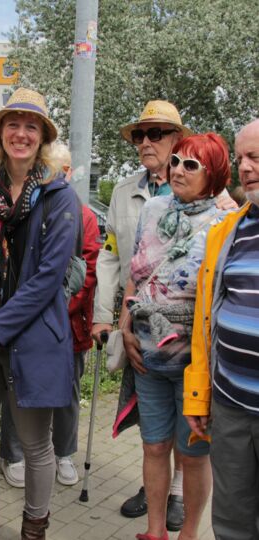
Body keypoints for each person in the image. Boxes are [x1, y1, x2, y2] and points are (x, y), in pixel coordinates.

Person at [0, 88, 80, 540]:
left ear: (43, 137)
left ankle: (34, 530)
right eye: (13, 124)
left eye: (32, 126)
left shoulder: (59, 196)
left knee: (35, 447)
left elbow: (48, 279)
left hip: (31, 338)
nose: (21, 133)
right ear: (0, 134)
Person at [121, 132, 231, 540]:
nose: (178, 169)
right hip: (146, 355)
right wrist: (125, 326)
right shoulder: (152, 209)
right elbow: (135, 275)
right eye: (177, 161)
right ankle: (155, 531)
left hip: (193, 364)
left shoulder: (224, 220)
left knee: (193, 454)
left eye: (191, 164)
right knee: (153, 447)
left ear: (214, 175)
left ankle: (188, 534)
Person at [91, 100, 191, 528]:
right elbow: (112, 257)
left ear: (177, 140)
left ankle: (179, 491)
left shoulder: (196, 187)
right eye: (140, 135)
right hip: (137, 322)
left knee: (185, 418)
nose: (146, 142)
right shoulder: (123, 192)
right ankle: (152, 483)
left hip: (184, 331)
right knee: (149, 412)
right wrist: (103, 316)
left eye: (157, 134)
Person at [0, 142, 101, 488]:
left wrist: (59, 307)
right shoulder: (28, 204)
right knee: (20, 388)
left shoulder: (81, 213)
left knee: (68, 392)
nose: (58, 174)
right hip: (27, 321)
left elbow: (87, 269)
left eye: (64, 169)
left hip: (69, 322)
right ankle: (13, 455)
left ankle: (65, 453)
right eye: (50, 168)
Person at [183, 119, 259, 540]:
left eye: (255, 157)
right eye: (241, 157)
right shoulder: (227, 232)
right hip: (230, 406)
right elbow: (204, 323)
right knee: (230, 522)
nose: (244, 168)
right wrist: (200, 395)